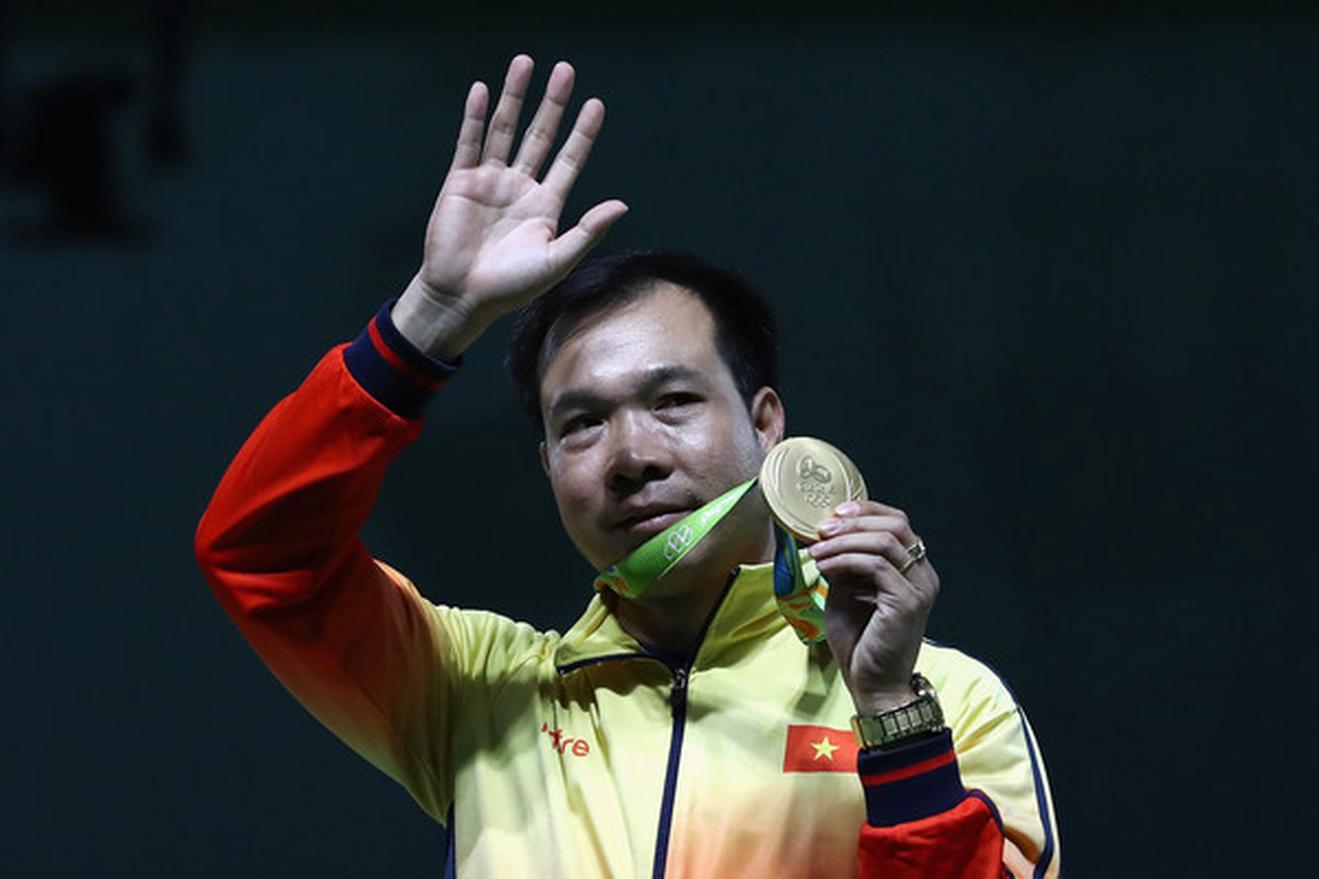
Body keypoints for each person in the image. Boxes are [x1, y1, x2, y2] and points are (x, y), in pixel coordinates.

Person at [195, 55, 1059, 877]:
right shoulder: (480, 690)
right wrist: (432, 312)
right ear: (546, 465)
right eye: (582, 424)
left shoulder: (949, 698)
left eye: (673, 401)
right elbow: (262, 555)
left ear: (766, 425)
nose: (631, 456)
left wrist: (891, 716)